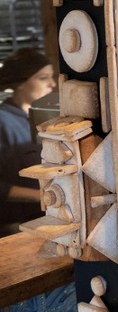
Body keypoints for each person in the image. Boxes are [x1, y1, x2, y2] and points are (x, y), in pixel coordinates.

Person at [0, 47, 56, 236]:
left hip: (45, 217)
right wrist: (42, 196)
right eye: (43, 78)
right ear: (21, 83)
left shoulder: (42, 118)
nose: (52, 84)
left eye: (52, 76)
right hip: (15, 227)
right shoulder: (3, 121)